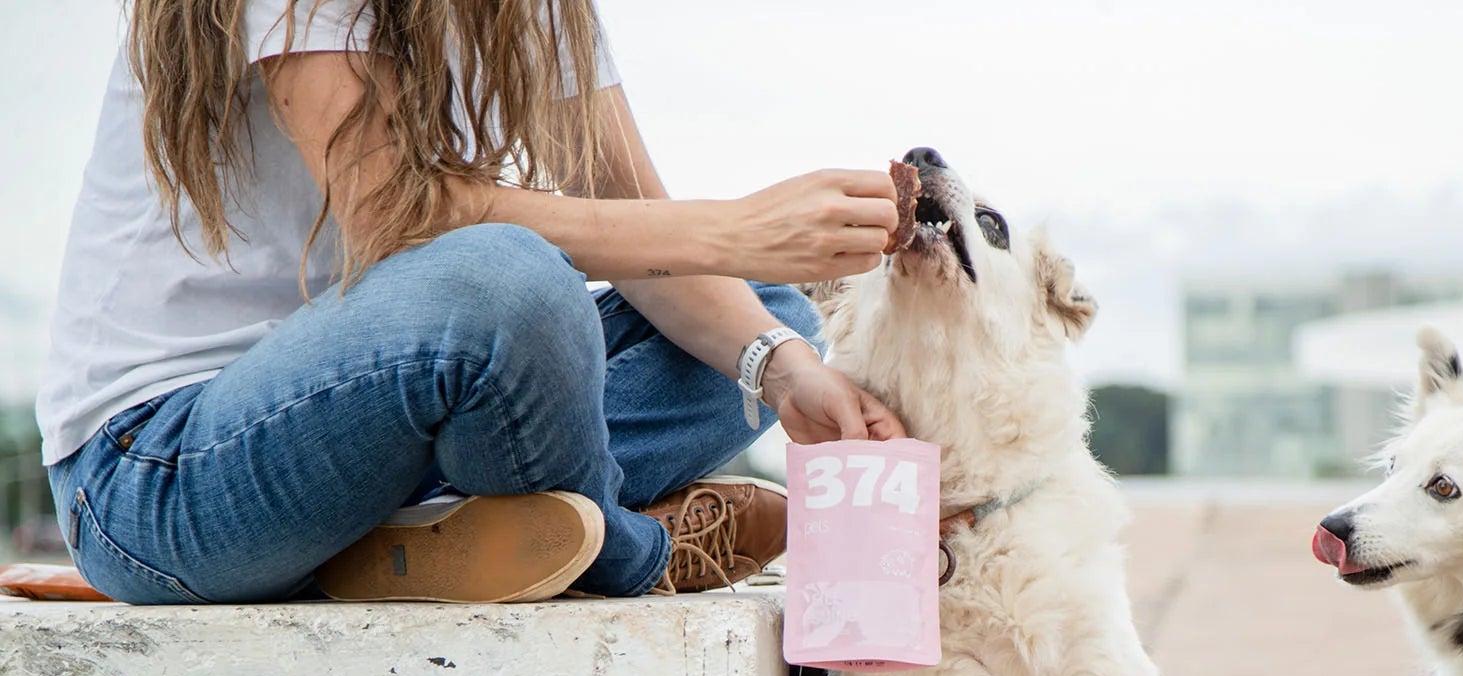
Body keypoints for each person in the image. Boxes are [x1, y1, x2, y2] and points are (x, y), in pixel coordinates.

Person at [37, 0, 906, 604]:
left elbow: (632, 214)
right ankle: (638, 550)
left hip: (375, 432)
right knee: (511, 279)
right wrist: (736, 225)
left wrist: (788, 376)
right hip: (159, 468)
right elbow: (393, 211)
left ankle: (435, 538)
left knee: (769, 318)